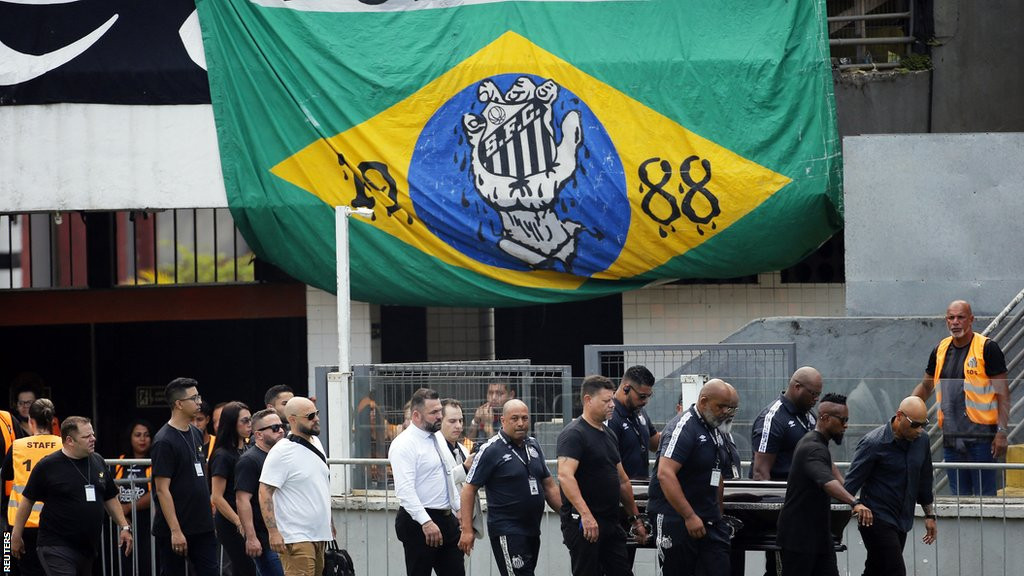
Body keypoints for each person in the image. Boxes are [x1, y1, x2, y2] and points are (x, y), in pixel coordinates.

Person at [11, 416, 132, 576]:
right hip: (56, 545)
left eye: (93, 434)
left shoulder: (98, 461)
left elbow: (110, 497)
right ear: (70, 440)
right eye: (86, 436)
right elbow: (27, 500)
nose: (93, 439)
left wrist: (123, 526)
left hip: (87, 548)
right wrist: (16, 535)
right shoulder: (48, 466)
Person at [912, 299, 1009, 496]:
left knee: (985, 500)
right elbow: (926, 386)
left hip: (982, 438)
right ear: (946, 320)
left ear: (971, 319)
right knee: (958, 500)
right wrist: (906, 411)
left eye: (960, 317)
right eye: (951, 317)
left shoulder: (987, 348)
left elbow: (1003, 393)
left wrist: (1001, 432)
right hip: (952, 438)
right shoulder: (940, 349)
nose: (955, 322)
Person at [556, 375, 647, 576]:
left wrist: (635, 519)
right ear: (588, 400)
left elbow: (622, 480)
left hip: (610, 522)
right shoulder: (574, 434)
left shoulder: (608, 433)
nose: (611, 405)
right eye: (606, 401)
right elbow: (565, 476)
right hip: (584, 523)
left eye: (612, 400)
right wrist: (586, 515)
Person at [458, 399, 560, 576]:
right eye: (514, 418)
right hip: (507, 530)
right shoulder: (491, 449)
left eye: (524, 418)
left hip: (532, 529)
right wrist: (467, 529)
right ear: (503, 421)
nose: (521, 423)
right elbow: (469, 488)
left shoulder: (533, 445)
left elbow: (549, 485)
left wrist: (568, 514)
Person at [647, 379, 739, 576]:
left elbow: (717, 474)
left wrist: (718, 514)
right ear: (704, 401)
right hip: (677, 518)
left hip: (709, 519)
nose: (726, 412)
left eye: (731, 408)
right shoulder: (684, 427)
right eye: (721, 406)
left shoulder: (717, 429)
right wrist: (689, 515)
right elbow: (665, 473)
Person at [776, 393, 872, 576]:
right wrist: (854, 503)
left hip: (819, 537)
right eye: (842, 420)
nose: (846, 425)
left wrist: (858, 498)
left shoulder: (818, 444)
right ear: (825, 418)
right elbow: (827, 482)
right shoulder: (812, 448)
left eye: (847, 420)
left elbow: (834, 477)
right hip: (798, 540)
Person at [844, 396, 937, 576]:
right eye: (915, 425)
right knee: (895, 571)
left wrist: (930, 515)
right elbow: (850, 484)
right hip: (875, 519)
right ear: (900, 416)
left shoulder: (922, 441)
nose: (919, 430)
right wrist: (855, 504)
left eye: (923, 424)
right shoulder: (874, 443)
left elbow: (924, 480)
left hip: (901, 519)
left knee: (876, 570)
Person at [749, 366, 827, 576]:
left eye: (819, 394)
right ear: (796, 387)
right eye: (813, 394)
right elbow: (760, 473)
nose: (816, 399)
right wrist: (777, 520)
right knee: (782, 568)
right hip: (785, 511)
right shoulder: (773, 418)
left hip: (807, 509)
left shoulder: (809, 418)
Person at [389, 388, 464, 576]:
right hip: (419, 522)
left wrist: (459, 509)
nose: (439, 416)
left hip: (447, 519)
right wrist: (426, 522)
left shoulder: (437, 437)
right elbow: (405, 491)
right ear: (416, 415)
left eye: (440, 410)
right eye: (433, 413)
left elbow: (447, 476)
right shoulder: (404, 444)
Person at [150, 377, 218, 576]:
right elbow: (162, 490)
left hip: (202, 525)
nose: (199, 402)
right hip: (176, 528)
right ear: (179, 404)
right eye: (194, 398)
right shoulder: (164, 441)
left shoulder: (196, 433)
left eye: (199, 397)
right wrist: (175, 530)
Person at [259, 396, 333, 576]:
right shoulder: (282, 451)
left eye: (316, 413)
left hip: (319, 534)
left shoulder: (316, 443)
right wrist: (273, 532)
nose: (316, 418)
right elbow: (265, 492)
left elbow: (318, 486)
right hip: (296, 537)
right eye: (310, 416)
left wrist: (329, 521)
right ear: (292, 420)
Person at [4, 398, 62, 576]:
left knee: (25, 570)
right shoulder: (63, 445)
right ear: (52, 420)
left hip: (21, 524)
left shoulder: (18, 446)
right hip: (55, 522)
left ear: (30, 420)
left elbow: (6, 475)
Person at [236, 409, 286, 576]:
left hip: (286, 534)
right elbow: (242, 500)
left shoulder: (281, 456)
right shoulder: (249, 460)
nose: (280, 430)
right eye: (274, 427)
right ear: (258, 435)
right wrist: (251, 538)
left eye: (281, 426)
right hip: (264, 538)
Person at [210, 402, 256, 576]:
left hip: (246, 517)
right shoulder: (223, 454)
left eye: (250, 420)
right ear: (232, 424)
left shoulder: (246, 448)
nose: (249, 424)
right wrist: (238, 521)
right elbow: (216, 496)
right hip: (231, 521)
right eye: (244, 421)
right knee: (246, 567)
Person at [435, 399, 482, 538]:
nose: (458, 426)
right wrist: (464, 468)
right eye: (452, 421)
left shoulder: (463, 449)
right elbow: (436, 481)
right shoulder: (432, 447)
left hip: (464, 524)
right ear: (440, 422)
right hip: (442, 520)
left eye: (461, 421)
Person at [114, 419, 155, 576]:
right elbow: (112, 490)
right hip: (123, 524)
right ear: (130, 438)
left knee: (147, 564)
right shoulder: (120, 461)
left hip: (147, 524)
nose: (142, 439)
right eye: (138, 435)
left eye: (146, 435)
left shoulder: (153, 462)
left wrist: (129, 507)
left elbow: (155, 493)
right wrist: (121, 514)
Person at [608, 365, 660, 480]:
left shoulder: (639, 411)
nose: (645, 401)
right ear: (626, 388)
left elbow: (654, 443)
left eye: (648, 396)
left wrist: (678, 428)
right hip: (622, 488)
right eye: (642, 396)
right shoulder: (610, 416)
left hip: (641, 486)